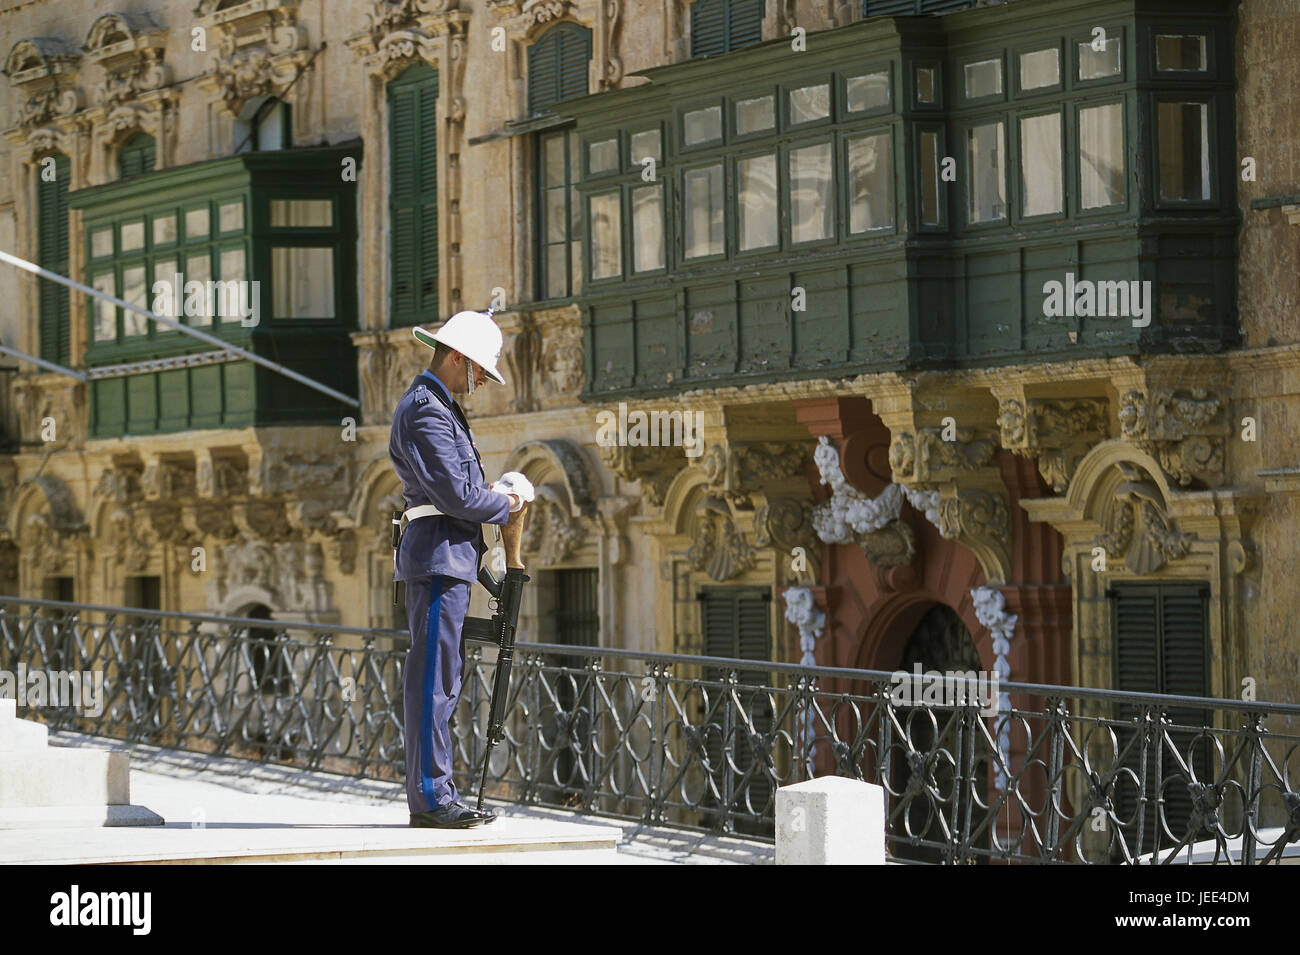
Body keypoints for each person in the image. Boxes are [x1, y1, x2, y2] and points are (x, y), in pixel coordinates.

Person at [388, 309, 524, 829]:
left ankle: (438, 791)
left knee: (443, 678)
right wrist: (506, 504)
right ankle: (430, 798)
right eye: (481, 372)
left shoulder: (441, 408)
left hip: (450, 553)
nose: (483, 382)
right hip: (439, 554)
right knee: (433, 681)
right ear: (458, 358)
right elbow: (454, 494)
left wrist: (492, 501)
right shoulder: (425, 410)